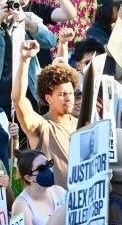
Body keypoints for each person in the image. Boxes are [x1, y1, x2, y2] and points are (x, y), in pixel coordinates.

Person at [12, 47, 77, 189]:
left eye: (71, 93)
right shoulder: (41, 126)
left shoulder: (82, 125)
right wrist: (24, 60)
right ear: (49, 98)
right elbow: (18, 101)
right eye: (62, 94)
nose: (68, 98)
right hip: (51, 208)